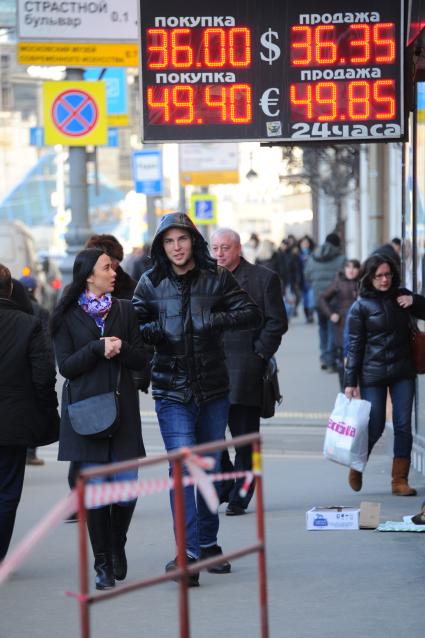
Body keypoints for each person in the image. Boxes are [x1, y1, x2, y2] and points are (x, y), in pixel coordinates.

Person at [132, 212, 261, 587]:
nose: (176, 247)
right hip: (171, 390)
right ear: (161, 245)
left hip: (213, 389)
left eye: (182, 239)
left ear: (193, 241)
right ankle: (187, 555)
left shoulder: (216, 276)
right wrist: (158, 329)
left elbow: (250, 312)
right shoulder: (149, 282)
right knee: (186, 470)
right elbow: (134, 329)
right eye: (169, 241)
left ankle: (207, 544)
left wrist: (213, 320)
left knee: (205, 468)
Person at [51, 248, 148, 590]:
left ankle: (116, 543)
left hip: (123, 412)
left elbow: (142, 360)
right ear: (89, 276)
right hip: (86, 413)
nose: (114, 271)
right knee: (95, 495)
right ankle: (103, 563)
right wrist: (97, 348)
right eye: (107, 267)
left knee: (126, 490)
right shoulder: (66, 315)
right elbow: (67, 367)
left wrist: (120, 347)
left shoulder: (124, 309)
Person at [210, 228, 288, 515]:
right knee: (212, 436)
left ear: (238, 249)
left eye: (225, 248)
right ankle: (228, 482)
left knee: (246, 440)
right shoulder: (204, 279)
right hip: (209, 370)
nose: (219, 254)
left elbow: (277, 322)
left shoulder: (263, 279)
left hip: (245, 370)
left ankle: (242, 494)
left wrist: (260, 354)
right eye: (215, 248)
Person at [344, 254, 425, 495]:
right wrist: (350, 382)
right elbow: (355, 346)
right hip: (373, 374)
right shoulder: (360, 307)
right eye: (378, 275)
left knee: (403, 425)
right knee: (376, 425)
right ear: (369, 278)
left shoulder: (402, 296)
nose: (384, 280)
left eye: (388, 274)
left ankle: (399, 481)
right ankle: (357, 465)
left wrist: (415, 301)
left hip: (403, 371)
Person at [0, 265, 59, 562]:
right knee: (8, 490)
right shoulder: (28, 324)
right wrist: (47, 410)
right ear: (10, 289)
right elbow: (44, 374)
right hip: (14, 422)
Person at [20, 274, 54, 466]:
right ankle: (30, 453)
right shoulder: (40, 311)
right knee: (33, 409)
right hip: (34, 366)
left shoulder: (13, 309)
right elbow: (46, 341)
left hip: (15, 367)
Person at [305, 232, 345, 370]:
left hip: (318, 298)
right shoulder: (341, 258)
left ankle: (323, 356)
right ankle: (330, 358)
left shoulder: (313, 257)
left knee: (322, 327)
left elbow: (307, 275)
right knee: (333, 328)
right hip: (334, 299)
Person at [319, 259, 361, 389]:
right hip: (342, 326)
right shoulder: (338, 281)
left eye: (354, 268)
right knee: (344, 361)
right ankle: (344, 390)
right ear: (344, 269)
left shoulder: (363, 282)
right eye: (348, 267)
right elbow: (322, 299)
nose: (351, 270)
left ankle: (357, 390)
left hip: (360, 326)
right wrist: (331, 314)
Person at [85, 234, 137, 300]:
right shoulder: (74, 294)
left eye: (117, 263)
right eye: (106, 266)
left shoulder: (132, 292)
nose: (113, 273)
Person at [297, 235, 315, 323]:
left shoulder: (313, 254)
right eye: (303, 243)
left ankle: (311, 315)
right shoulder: (297, 255)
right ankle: (307, 316)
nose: (305, 245)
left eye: (306, 243)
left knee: (311, 299)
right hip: (302, 281)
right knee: (305, 300)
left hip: (311, 280)